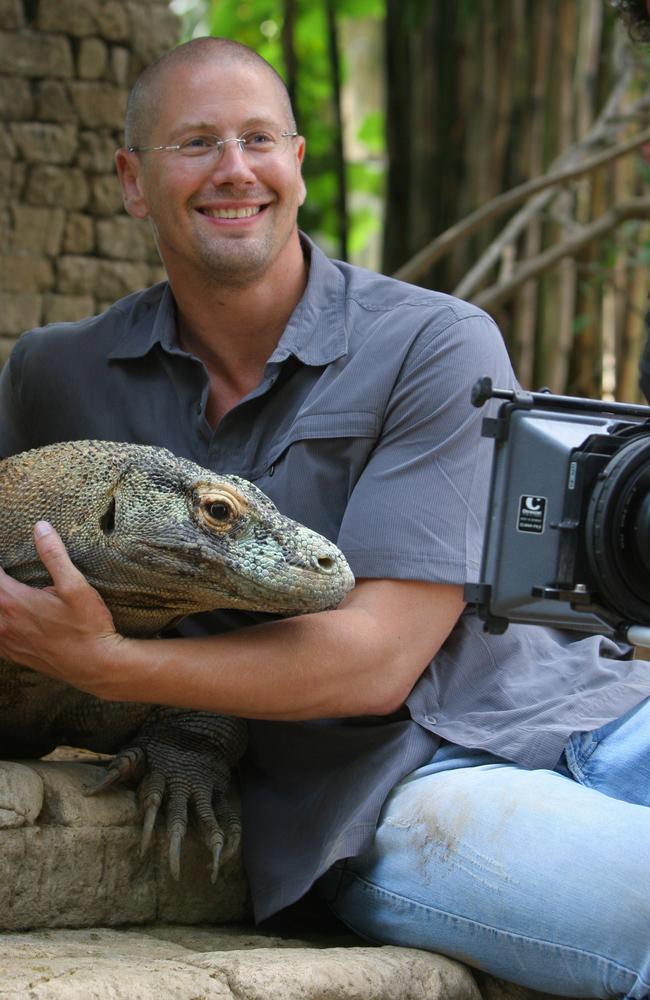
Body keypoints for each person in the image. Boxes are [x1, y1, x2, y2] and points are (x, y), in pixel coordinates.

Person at [0, 37, 649, 997]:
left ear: (297, 166)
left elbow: (377, 651)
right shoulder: (55, 378)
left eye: (259, 138)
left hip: (594, 718)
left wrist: (107, 665)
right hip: (395, 794)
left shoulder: (432, 340)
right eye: (196, 144)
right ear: (133, 183)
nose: (235, 169)